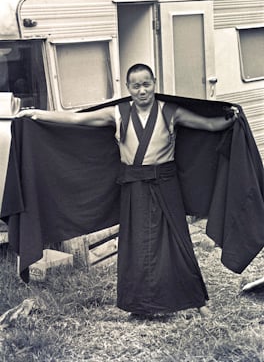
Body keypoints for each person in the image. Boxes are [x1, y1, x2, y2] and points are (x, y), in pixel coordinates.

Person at [17, 63, 237, 318]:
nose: (142, 90)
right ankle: (139, 305)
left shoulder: (170, 111)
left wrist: (231, 120)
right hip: (133, 186)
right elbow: (76, 118)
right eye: (136, 86)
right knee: (136, 246)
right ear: (128, 88)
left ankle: (198, 301)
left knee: (178, 242)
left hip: (166, 184)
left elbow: (209, 126)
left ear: (154, 83)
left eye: (147, 84)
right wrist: (38, 115)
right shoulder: (117, 113)